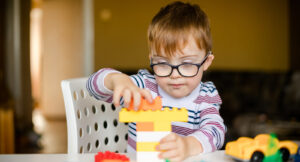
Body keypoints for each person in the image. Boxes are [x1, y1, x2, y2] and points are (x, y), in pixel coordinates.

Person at [87, 1, 226, 161]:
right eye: (162, 63)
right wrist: (117, 80)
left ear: (206, 62)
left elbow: (216, 131)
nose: (174, 75)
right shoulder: (143, 86)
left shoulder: (206, 95)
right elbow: (92, 86)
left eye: (187, 64)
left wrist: (188, 145)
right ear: (151, 59)